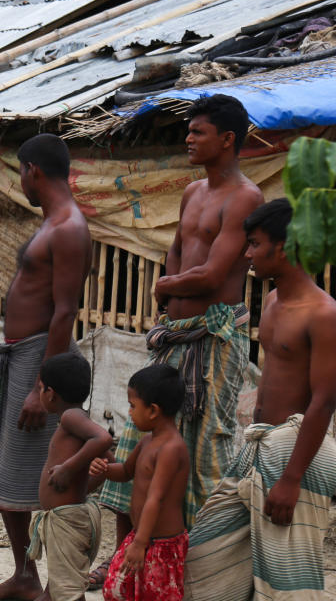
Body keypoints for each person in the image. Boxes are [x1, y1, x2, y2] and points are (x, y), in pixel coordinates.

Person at [93, 94, 264, 588]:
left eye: (198, 132)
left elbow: (211, 274)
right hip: (176, 336)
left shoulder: (245, 197)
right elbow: (175, 251)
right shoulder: (193, 192)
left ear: (227, 139)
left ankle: (197, 564)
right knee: (139, 439)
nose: (188, 139)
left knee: (202, 451)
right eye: (188, 131)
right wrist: (169, 290)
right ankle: (126, 553)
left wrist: (166, 287)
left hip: (213, 339)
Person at [183, 198, 336, 601]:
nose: (247, 253)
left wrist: (291, 479)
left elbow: (324, 400)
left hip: (296, 453)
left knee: (287, 581)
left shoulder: (323, 313)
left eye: (254, 244)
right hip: (258, 444)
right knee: (204, 552)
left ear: (283, 248)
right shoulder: (270, 303)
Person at [0, 133, 92, 601]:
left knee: (38, 473)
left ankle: (55, 584)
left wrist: (42, 385)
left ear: (33, 170)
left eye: (19, 173)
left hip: (39, 360)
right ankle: (24, 575)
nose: (19, 182)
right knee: (12, 468)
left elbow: (65, 311)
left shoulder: (68, 228)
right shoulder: (52, 223)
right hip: (20, 356)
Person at [91, 364, 190, 601]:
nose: (130, 412)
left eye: (133, 406)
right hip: (141, 536)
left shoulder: (171, 448)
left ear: (153, 410)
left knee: (153, 594)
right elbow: (126, 471)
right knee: (116, 589)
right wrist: (105, 469)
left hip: (160, 544)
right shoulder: (147, 441)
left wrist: (140, 542)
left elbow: (156, 497)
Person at [26, 352, 112, 601]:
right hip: (70, 518)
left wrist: (69, 468)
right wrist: (84, 485)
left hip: (67, 524)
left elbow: (104, 439)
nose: (40, 393)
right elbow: (110, 462)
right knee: (57, 590)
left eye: (40, 388)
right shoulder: (76, 420)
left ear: (51, 393)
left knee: (68, 594)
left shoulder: (70, 417)